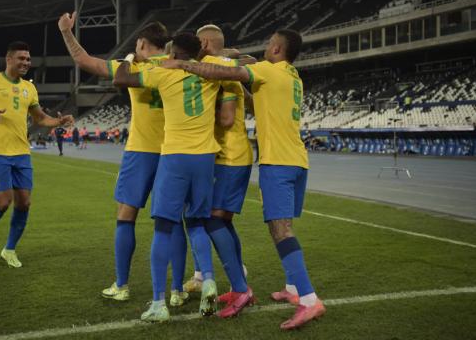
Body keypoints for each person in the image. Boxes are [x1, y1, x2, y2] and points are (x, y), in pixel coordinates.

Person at [160, 29, 325, 330]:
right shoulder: (291, 76)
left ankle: (308, 300)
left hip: (270, 161)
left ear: (276, 48)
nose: (265, 47)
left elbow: (225, 74)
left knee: (274, 228)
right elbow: (250, 99)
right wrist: (232, 60)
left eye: (269, 43)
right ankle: (290, 288)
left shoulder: (266, 70)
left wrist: (183, 65)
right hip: (296, 159)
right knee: (247, 223)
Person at [58, 13, 188, 306]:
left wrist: (66, 32)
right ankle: (178, 290)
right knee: (172, 220)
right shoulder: (177, 68)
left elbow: (84, 60)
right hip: (174, 151)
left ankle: (122, 285)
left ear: (142, 42)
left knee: (126, 216)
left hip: (141, 150)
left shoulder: (132, 67)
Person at [113, 32, 234, 322]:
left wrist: (130, 57)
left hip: (175, 157)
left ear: (174, 54)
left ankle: (158, 303)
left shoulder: (163, 74)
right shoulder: (211, 75)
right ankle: (208, 280)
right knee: (196, 223)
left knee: (164, 227)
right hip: (205, 158)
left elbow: (121, 78)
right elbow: (239, 65)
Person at [0, 41, 74, 268]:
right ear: (9, 59)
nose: (26, 63)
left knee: (24, 203)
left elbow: (41, 118)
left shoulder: (29, 88)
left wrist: (59, 121)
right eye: (21, 58)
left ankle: (9, 250)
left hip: (22, 152)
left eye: (28, 59)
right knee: (3, 202)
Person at [181, 24, 255, 318]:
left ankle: (240, 287)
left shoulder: (212, 66)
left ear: (204, 42)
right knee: (224, 221)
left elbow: (225, 119)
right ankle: (240, 284)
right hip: (234, 153)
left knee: (211, 221)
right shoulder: (224, 64)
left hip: (229, 155)